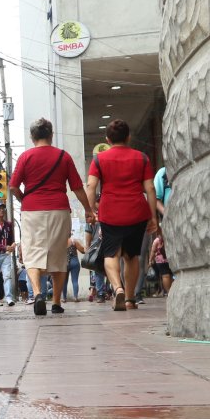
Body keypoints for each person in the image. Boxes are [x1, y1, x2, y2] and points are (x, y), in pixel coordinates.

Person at [9, 118, 95, 317]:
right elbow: (77, 187)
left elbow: (13, 186)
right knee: (58, 254)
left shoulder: (25, 157)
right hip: (59, 209)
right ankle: (56, 302)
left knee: (32, 253)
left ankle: (38, 293)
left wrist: (25, 201)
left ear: (32, 137)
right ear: (51, 135)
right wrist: (88, 209)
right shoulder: (63, 157)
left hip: (32, 210)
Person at [85, 119, 160, 311]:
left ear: (108, 139)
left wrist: (90, 209)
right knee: (131, 256)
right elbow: (150, 188)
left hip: (110, 213)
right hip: (137, 212)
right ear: (128, 137)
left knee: (111, 253)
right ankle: (129, 298)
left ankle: (117, 288)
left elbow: (91, 186)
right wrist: (153, 217)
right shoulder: (142, 158)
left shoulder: (99, 160)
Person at [65, 233, 86, 302]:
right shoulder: (74, 241)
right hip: (74, 262)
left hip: (65, 263)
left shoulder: (60, 242)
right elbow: (83, 251)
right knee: (75, 280)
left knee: (64, 282)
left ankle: (64, 298)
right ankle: (75, 297)